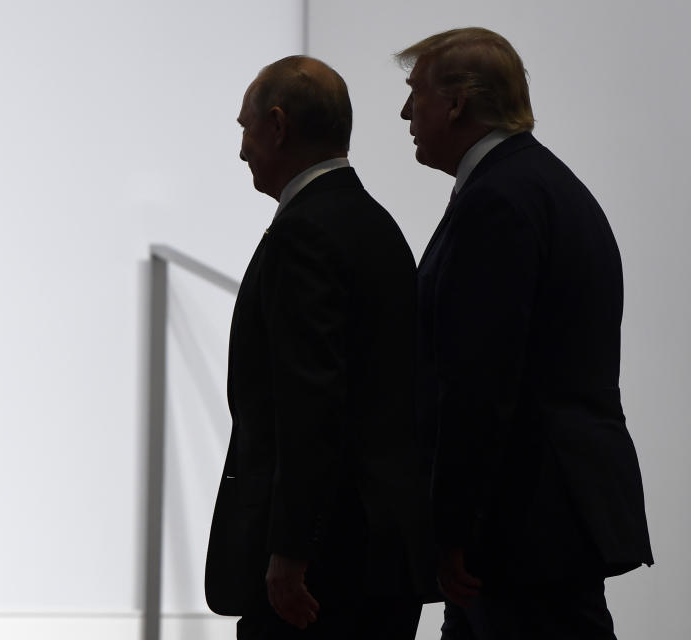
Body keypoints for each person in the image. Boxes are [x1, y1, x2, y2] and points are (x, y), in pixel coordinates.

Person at [396, 27, 654, 639]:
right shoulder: (542, 186)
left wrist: (454, 526)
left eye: (416, 94)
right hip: (543, 517)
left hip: (519, 524)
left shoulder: (499, 201)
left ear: (456, 103)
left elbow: (479, 382)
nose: (406, 111)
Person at [204, 55, 432, 639]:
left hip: (323, 570)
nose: (241, 149)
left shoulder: (304, 232)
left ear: (278, 126)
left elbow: (310, 406)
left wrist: (291, 551)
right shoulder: (377, 225)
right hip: (380, 554)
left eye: (245, 128)